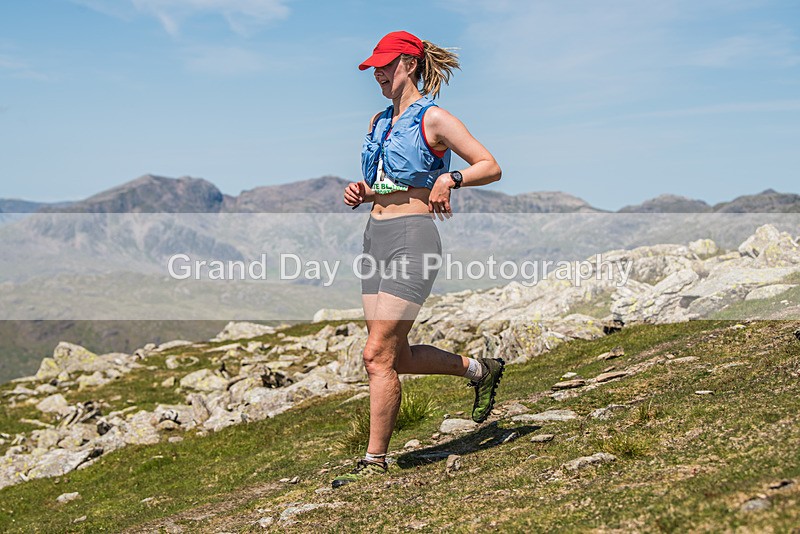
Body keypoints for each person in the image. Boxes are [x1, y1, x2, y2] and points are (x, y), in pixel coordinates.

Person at [333, 30, 504, 489]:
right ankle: (478, 369)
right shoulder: (378, 120)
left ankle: (374, 462)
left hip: (414, 236)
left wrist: (452, 177)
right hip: (376, 236)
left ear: (408, 63)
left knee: (375, 356)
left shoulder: (435, 118)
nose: (378, 74)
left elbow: (489, 164)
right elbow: (393, 181)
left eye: (386, 65)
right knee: (395, 356)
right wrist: (364, 190)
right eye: (374, 68)